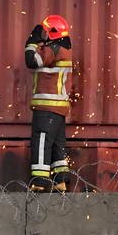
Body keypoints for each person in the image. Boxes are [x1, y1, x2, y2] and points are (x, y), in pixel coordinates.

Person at [24, 14, 73, 192]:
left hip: (46, 108)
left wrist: (32, 40)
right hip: (59, 109)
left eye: (45, 32)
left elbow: (31, 61)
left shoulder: (53, 49)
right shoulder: (64, 48)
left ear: (52, 33)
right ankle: (61, 180)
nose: (43, 35)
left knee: (42, 141)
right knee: (57, 145)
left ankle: (40, 182)